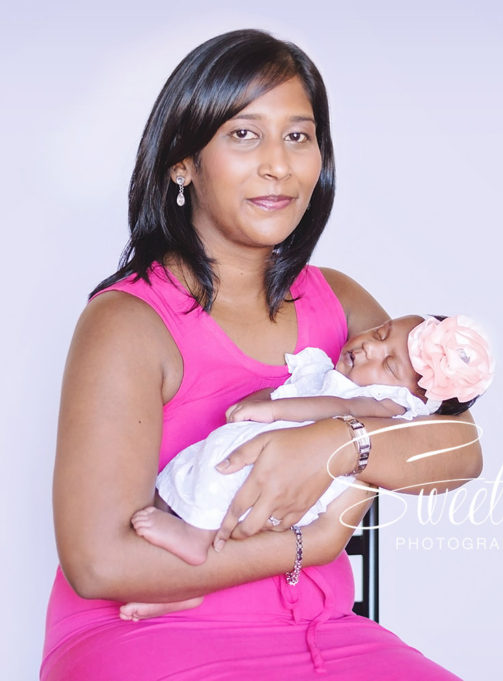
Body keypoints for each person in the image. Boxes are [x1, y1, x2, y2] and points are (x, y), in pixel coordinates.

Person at [45, 29, 481, 680]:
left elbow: (459, 450)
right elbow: (99, 563)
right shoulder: (126, 323)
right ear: (182, 162)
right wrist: (313, 542)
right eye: (244, 135)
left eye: (298, 136)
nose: (278, 164)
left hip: (324, 633)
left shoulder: (340, 303)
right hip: (149, 633)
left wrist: (339, 443)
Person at [122, 314, 493, 620]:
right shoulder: (332, 371)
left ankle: (194, 543)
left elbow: (330, 408)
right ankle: (183, 589)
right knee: (186, 477)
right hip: (265, 451)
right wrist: (265, 403)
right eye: (380, 333)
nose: (370, 347)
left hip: (285, 480)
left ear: (412, 400)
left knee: (221, 479)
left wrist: (274, 410)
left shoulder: (383, 405)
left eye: (389, 364)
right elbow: (303, 395)